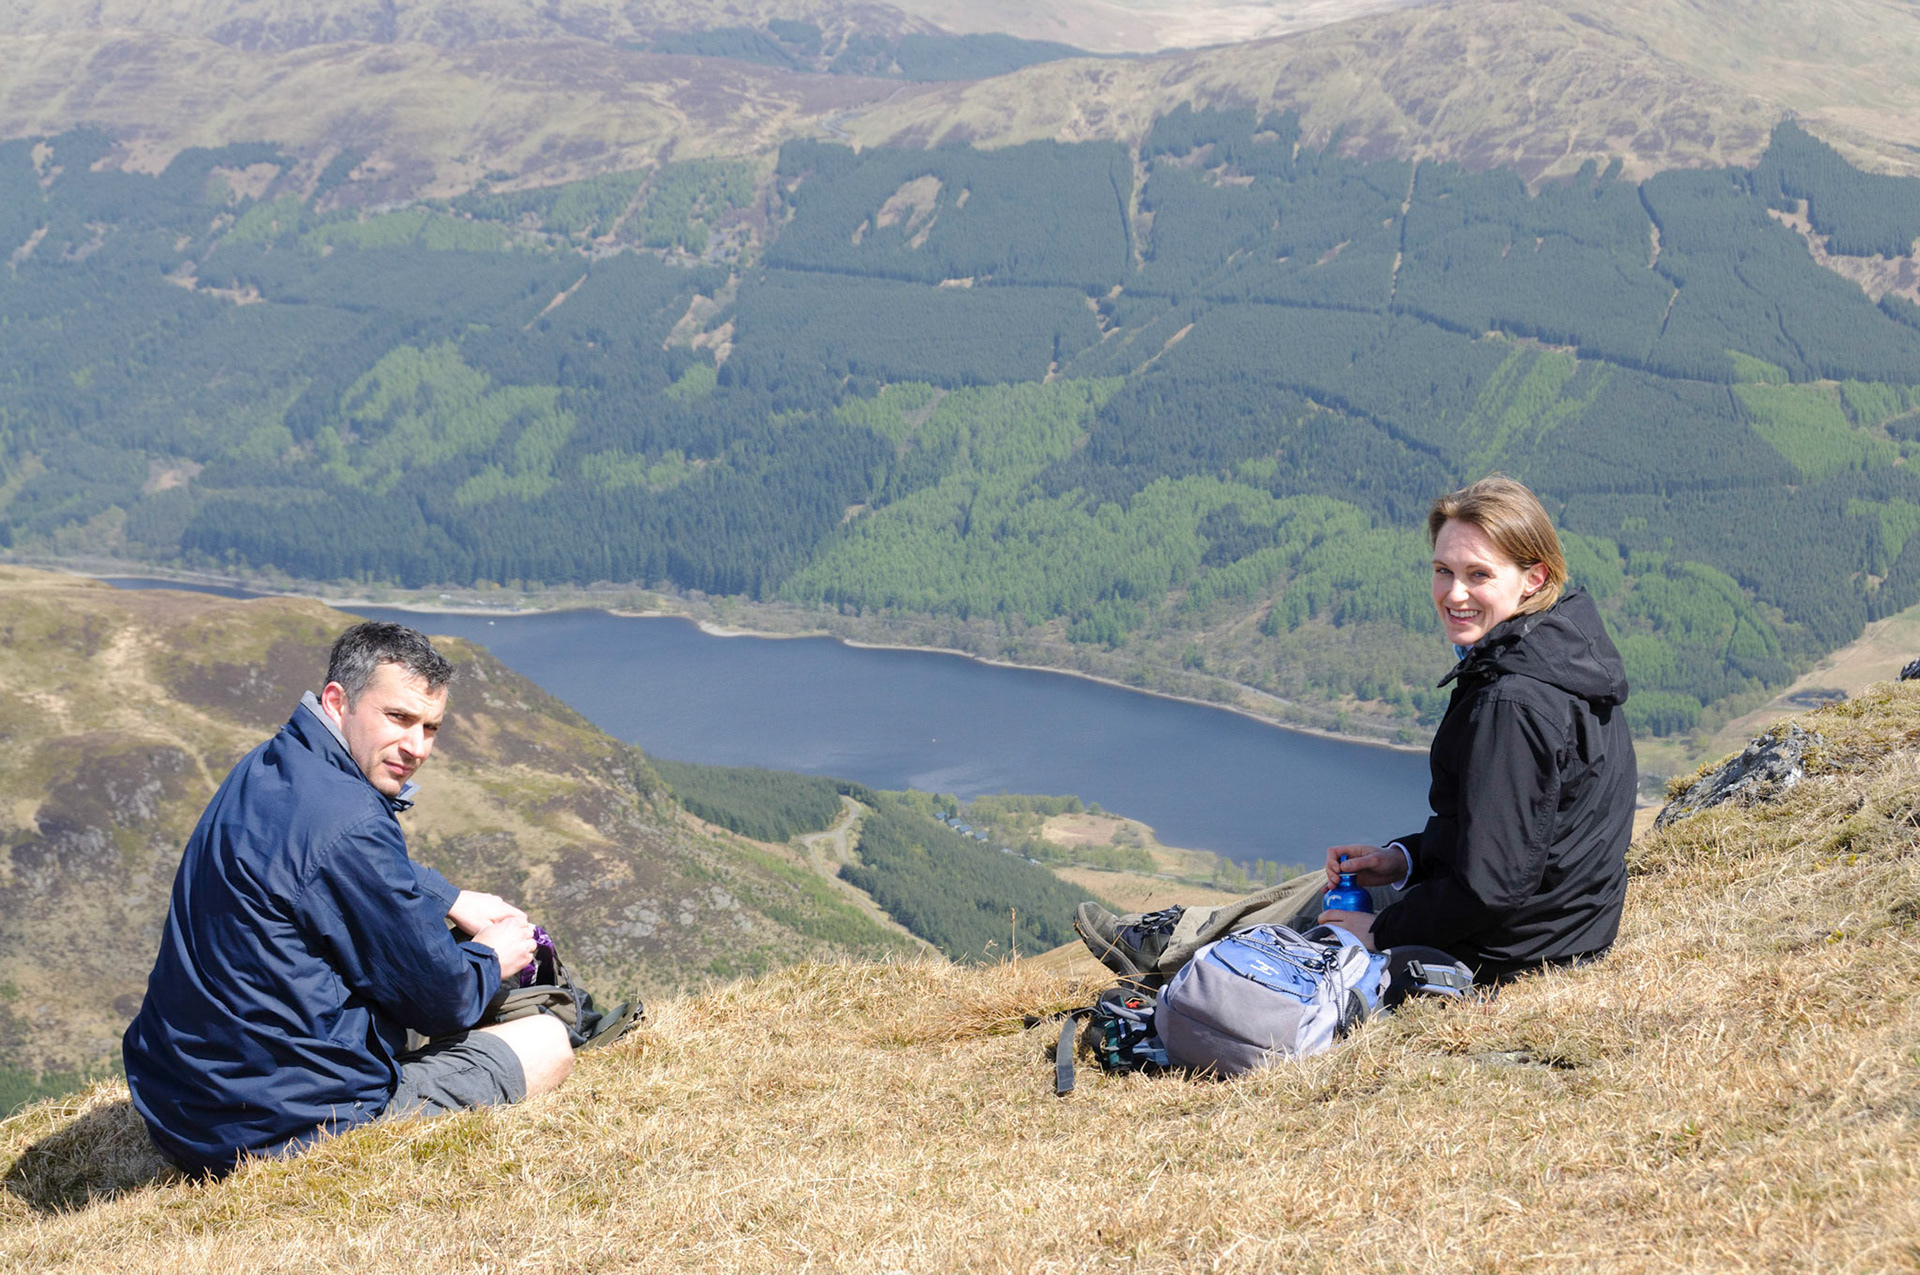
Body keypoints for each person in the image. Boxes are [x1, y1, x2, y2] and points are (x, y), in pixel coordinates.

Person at [1077, 474, 1635, 988]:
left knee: (1320, 934)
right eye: (1443, 570)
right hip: (1560, 927)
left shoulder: (1513, 701)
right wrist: (1404, 860)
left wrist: (1380, 933)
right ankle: (1178, 942)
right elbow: (1509, 833)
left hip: (1515, 952)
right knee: (1337, 886)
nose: (1454, 594)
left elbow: (1491, 887)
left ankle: (1178, 963)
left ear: (1534, 577)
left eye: (1479, 575)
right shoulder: (1553, 654)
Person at [123, 621, 574, 1176]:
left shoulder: (273, 764)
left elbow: (325, 864)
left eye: (430, 727)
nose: (416, 747)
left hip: (182, 1108)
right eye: (398, 718)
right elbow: (441, 1000)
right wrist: (493, 956)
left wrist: (448, 896)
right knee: (548, 1041)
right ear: (339, 701)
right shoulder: (351, 818)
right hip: (277, 1132)